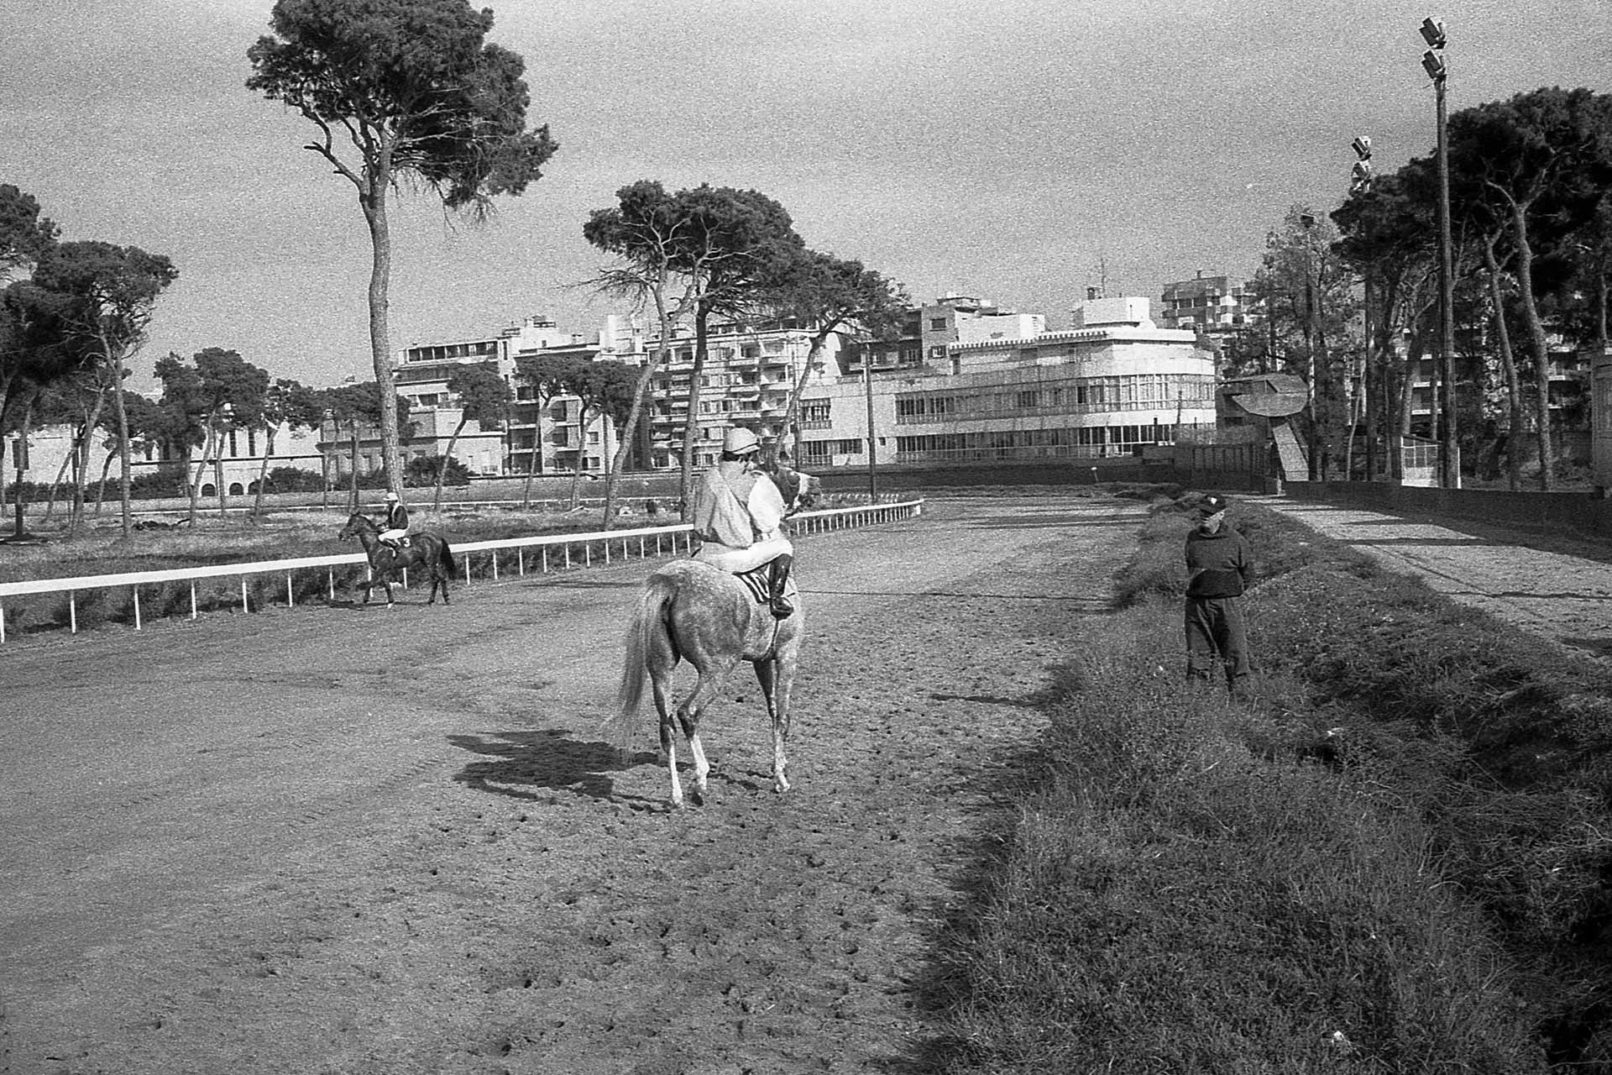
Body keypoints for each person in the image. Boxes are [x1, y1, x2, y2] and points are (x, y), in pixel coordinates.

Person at [690, 427, 795, 618]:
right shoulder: (751, 482)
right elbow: (767, 524)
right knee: (784, 546)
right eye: (751, 457)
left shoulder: (705, 478)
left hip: (704, 555)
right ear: (744, 456)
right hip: (735, 557)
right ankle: (776, 600)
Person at [1184, 492, 1252, 694]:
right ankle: (1197, 699)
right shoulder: (1192, 538)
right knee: (1197, 654)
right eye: (1203, 511)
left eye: (1210, 513)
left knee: (1235, 651)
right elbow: (1190, 567)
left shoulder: (1236, 540)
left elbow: (1248, 573)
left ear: (1221, 514)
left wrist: (1227, 590)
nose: (1205, 516)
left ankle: (1242, 697)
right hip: (1197, 605)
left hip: (1227, 604)